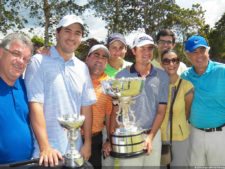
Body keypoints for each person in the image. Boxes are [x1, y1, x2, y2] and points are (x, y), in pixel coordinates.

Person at [25, 14, 96, 167]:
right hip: (46, 155)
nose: (72, 37)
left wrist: (87, 143)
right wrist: (45, 147)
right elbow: (35, 105)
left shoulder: (82, 68)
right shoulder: (38, 62)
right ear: (57, 34)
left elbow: (87, 108)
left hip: (75, 152)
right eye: (67, 31)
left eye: (77, 33)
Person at [111, 33, 169, 168]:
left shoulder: (162, 76)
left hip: (153, 134)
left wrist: (150, 137)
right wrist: (111, 138)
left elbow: (161, 111)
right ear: (134, 51)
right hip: (128, 135)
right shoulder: (121, 76)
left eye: (149, 48)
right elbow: (116, 110)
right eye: (142, 48)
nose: (146, 52)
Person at [181, 35, 225, 167]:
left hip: (220, 135)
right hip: (194, 134)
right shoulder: (185, 76)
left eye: (202, 50)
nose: (199, 55)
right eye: (194, 52)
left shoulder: (222, 71)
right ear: (187, 55)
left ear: (208, 51)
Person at [0, 33, 34, 164]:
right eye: (16, 54)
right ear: (1, 53)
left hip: (27, 163)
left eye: (26, 59)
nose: (21, 61)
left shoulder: (25, 86)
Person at [160, 50, 193, 167]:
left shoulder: (187, 86)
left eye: (174, 60)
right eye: (166, 61)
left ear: (179, 63)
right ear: (161, 64)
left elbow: (187, 112)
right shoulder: (156, 85)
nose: (171, 64)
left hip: (180, 137)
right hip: (160, 137)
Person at [85, 44, 113, 169]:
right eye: (96, 55)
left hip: (96, 139)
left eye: (104, 57)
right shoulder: (76, 76)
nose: (100, 59)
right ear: (87, 58)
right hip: (71, 137)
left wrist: (109, 140)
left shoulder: (109, 83)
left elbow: (109, 115)